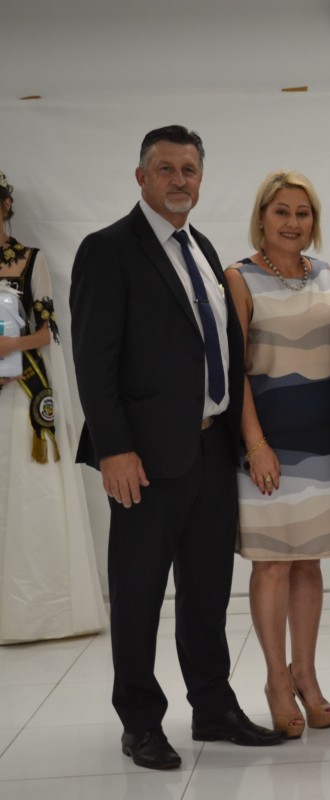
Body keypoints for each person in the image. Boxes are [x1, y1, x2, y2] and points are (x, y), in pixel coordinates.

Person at [70, 125, 283, 771]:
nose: (179, 180)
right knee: (138, 596)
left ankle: (213, 707)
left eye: (189, 169)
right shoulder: (108, 250)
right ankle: (140, 721)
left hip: (211, 453)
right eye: (165, 169)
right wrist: (114, 449)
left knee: (207, 594)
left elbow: (222, 350)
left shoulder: (202, 247)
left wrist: (242, 440)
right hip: (144, 460)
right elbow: (94, 362)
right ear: (142, 177)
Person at [225, 171, 330, 738]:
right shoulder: (239, 277)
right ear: (262, 217)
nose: (292, 222)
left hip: (321, 439)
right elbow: (234, 371)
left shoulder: (327, 274)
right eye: (281, 211)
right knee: (272, 562)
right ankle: (276, 679)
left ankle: (307, 673)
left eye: (303, 212)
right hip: (267, 443)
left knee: (310, 561)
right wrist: (255, 445)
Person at [0, 170, 106, 644]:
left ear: (6, 205)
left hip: (21, 393)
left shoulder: (30, 260)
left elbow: (48, 332)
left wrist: (10, 346)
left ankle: (40, 612)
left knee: (30, 498)